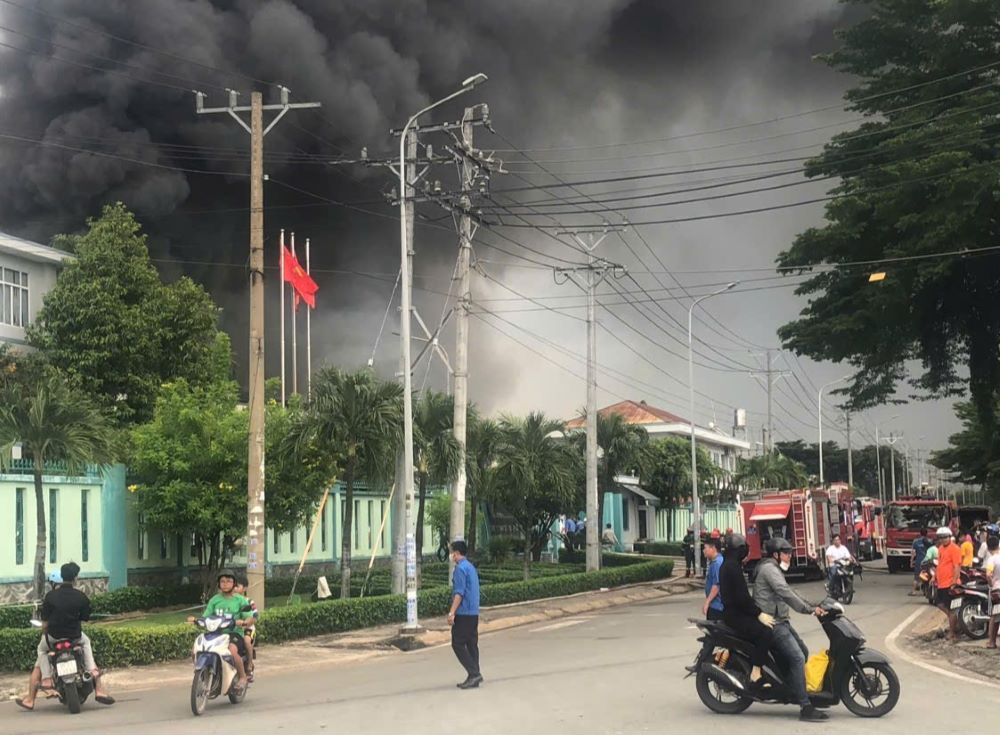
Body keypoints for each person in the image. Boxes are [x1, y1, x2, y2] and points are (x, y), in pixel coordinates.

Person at [16, 562, 114, 711]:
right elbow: (85, 617)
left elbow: (45, 620)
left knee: (42, 651)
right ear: (75, 578)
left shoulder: (50, 597)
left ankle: (43, 683)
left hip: (53, 638)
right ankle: (95, 678)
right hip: (74, 637)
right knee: (86, 642)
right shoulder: (81, 596)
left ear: (62, 577)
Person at [754, 537, 828, 722]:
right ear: (776, 554)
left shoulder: (774, 568)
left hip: (781, 621)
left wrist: (815, 604)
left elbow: (790, 590)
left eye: (790, 553)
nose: (790, 556)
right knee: (797, 657)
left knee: (802, 651)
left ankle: (793, 689)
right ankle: (805, 707)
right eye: (786, 553)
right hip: (772, 623)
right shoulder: (769, 569)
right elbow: (784, 592)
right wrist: (809, 610)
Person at [718, 533, 773, 687]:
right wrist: (758, 613)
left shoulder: (729, 564)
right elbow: (742, 598)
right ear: (738, 550)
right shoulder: (732, 567)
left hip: (734, 613)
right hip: (735, 615)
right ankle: (755, 673)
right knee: (765, 632)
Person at [188, 569, 252, 689]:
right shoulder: (215, 600)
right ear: (218, 584)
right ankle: (201, 671)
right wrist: (196, 620)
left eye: (228, 581)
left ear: (234, 583)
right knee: (195, 649)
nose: (225, 584)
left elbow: (249, 617)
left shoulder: (240, 600)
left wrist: (244, 622)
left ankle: (243, 676)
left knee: (232, 651)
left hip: (233, 634)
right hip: (215, 633)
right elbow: (206, 616)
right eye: (222, 581)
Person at [686, 538, 724, 672]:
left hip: (717, 606)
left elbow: (717, 585)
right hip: (716, 605)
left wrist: (707, 602)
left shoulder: (718, 563)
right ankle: (704, 664)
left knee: (711, 636)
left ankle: (702, 665)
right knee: (711, 637)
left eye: (705, 548)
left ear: (713, 548)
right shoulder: (714, 562)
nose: (703, 550)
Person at [448, 540, 482, 689]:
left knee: (457, 643)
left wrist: (452, 612)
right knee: (471, 644)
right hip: (474, 612)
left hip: (464, 613)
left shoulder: (460, 569)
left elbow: (459, 593)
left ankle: (474, 673)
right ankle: (474, 674)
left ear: (456, 553)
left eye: (451, 552)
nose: (451, 556)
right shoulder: (470, 567)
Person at [933, 527, 963, 643]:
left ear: (950, 537)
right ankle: (954, 623)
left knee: (951, 609)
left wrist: (954, 582)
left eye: (945, 537)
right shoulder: (940, 549)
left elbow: (957, 567)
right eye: (941, 537)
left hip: (950, 583)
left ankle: (952, 632)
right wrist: (934, 577)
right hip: (941, 583)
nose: (943, 539)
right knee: (940, 604)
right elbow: (939, 564)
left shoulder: (955, 549)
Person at [232, 575, 259, 682]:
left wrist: (246, 623)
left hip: (247, 628)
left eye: (237, 586)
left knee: (247, 641)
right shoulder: (230, 601)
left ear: (245, 588)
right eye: (233, 586)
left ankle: (249, 666)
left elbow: (255, 616)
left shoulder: (249, 601)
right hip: (233, 629)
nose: (234, 588)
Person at [982, 536, 1000, 649]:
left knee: (994, 616)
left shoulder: (992, 559)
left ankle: (992, 642)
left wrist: (991, 584)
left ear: (988, 548)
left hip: (996, 590)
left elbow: (988, 574)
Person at [910, 528, 931, 596]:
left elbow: (913, 553)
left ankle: (913, 591)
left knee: (916, 577)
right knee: (926, 576)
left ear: (920, 533)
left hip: (918, 561)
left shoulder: (915, 541)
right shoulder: (929, 541)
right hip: (927, 561)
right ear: (926, 534)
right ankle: (925, 591)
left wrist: (911, 561)